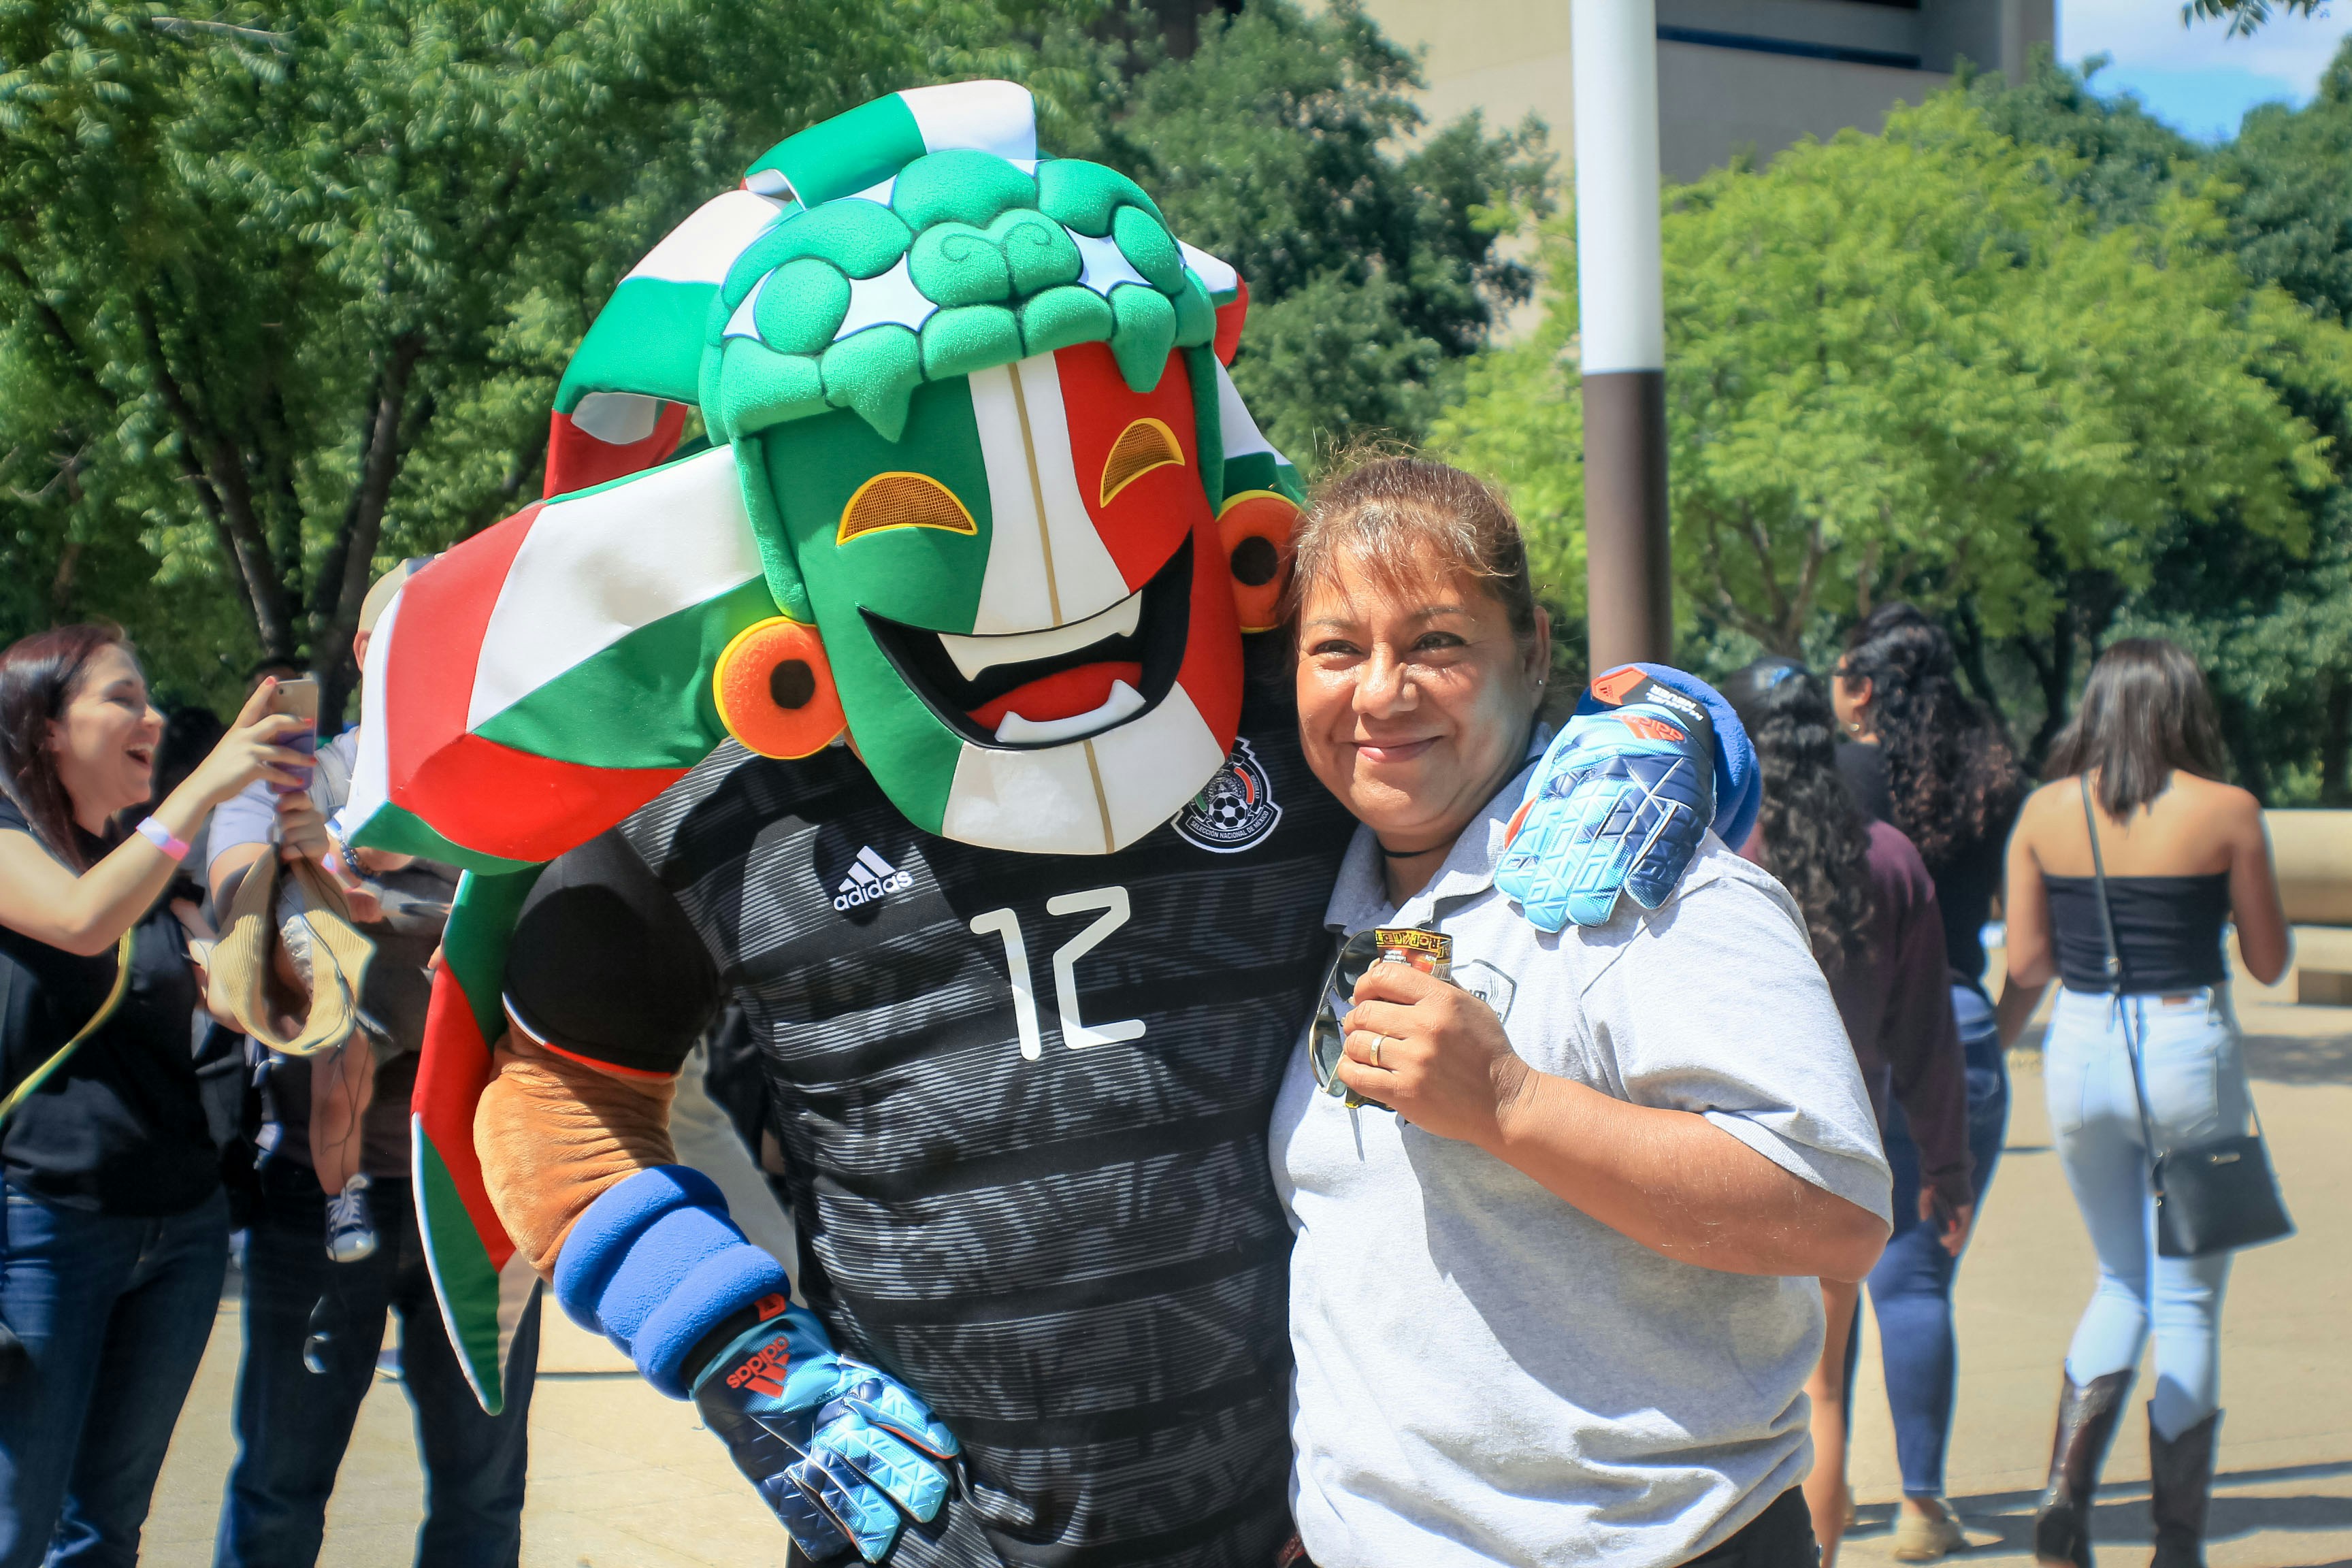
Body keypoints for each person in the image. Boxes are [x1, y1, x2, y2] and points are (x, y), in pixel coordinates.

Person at [335, 82, 1759, 1568]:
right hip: (934, 1534)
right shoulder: (716, 779)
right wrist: (736, 1352)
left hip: (1306, 1524)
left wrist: (1665, 727)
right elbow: (555, 1089)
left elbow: (1505, 702)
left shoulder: (1278, 687)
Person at [1270, 457, 1891, 1568]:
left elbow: (1834, 1210)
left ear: (1535, 650)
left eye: (1437, 642)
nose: (1380, 691)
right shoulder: (1337, 899)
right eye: (1337, 648)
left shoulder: (1642, 886)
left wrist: (1512, 1105)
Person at [205, 565, 539, 1568]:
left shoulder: (524, 790)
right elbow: (245, 943)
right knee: (279, 1490)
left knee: (484, 1500)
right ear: (365, 651)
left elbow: (554, 958)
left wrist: (377, 910)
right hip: (319, 1198)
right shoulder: (289, 784)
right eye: (419, 629)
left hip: (476, 1198)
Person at [0, 626, 308, 1568]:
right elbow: (81, 921)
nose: (154, 718)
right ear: (48, 727)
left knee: (106, 1530)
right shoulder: (10, 838)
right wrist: (208, 785)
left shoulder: (159, 873)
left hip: (181, 1227)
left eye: (150, 699)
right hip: (45, 1229)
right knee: (16, 1524)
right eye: (122, 699)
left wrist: (299, 871)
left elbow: (272, 1011)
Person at [1995, 639, 2287, 1568]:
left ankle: (2061, 1500)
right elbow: (2270, 962)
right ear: (2185, 707)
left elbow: (2031, 964)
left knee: (2120, 1280)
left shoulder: (2045, 812)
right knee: (2189, 1307)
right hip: (2186, 1044)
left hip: (2082, 1045)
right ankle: (2175, 1546)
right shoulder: (2230, 811)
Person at [1725, 658, 1974, 1567]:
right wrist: (1947, 1171)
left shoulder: (1708, 859)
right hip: (1836, 1169)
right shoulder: (1892, 860)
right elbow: (1928, 1044)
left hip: (1705, 1163)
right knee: (1822, 1399)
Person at [1831, 602, 2025, 1556]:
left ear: (1862, 683)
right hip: (1964, 1017)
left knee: (1838, 1270)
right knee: (1916, 1280)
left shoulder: (1841, 778)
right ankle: (1921, 1502)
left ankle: (1833, 1478)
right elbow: (2016, 932)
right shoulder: (1992, 772)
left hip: (1861, 1030)